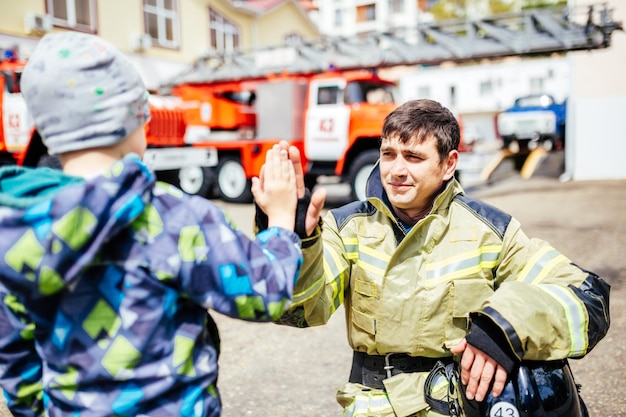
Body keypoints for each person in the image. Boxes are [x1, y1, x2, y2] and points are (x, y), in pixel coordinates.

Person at [0, 32, 302, 417]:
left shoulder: (14, 227)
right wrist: (279, 219)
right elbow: (265, 294)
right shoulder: (172, 215)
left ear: (45, 128)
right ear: (137, 115)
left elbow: (17, 367)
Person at [257, 99, 611, 417]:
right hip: (371, 407)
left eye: (413, 157)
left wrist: (503, 331)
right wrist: (294, 237)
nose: (396, 170)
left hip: (456, 405)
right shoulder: (345, 227)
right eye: (388, 154)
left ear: (448, 164)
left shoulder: (490, 231)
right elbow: (300, 311)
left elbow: (586, 297)